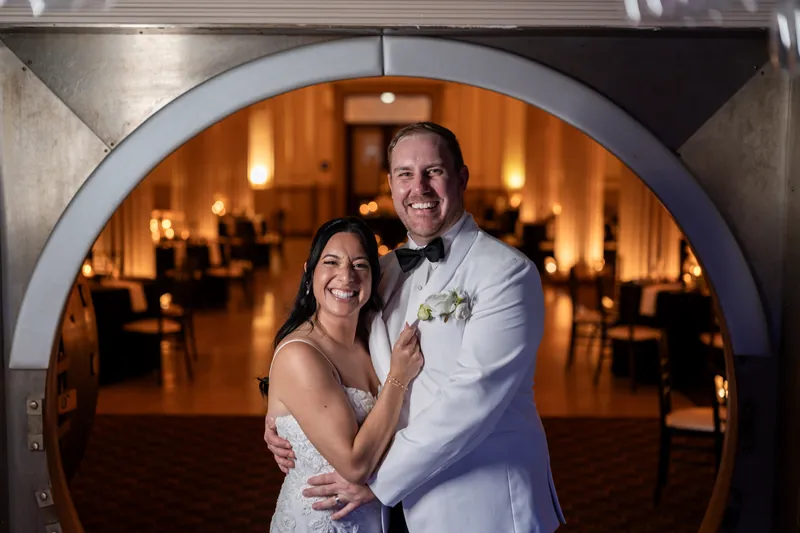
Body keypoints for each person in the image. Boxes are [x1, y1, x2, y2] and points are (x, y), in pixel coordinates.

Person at [265, 122, 565, 533]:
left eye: (434, 172)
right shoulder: (381, 271)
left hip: (480, 504)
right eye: (405, 174)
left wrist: (377, 481)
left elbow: (471, 401)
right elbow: (330, 343)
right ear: (391, 184)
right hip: (395, 512)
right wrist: (283, 413)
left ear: (461, 177)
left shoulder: (507, 273)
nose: (418, 187)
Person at [262, 216, 424, 532]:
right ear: (309, 274)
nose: (345, 276)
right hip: (320, 522)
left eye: (360, 265)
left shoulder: (374, 338)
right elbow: (354, 465)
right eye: (331, 262)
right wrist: (397, 379)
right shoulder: (300, 354)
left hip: (376, 519)